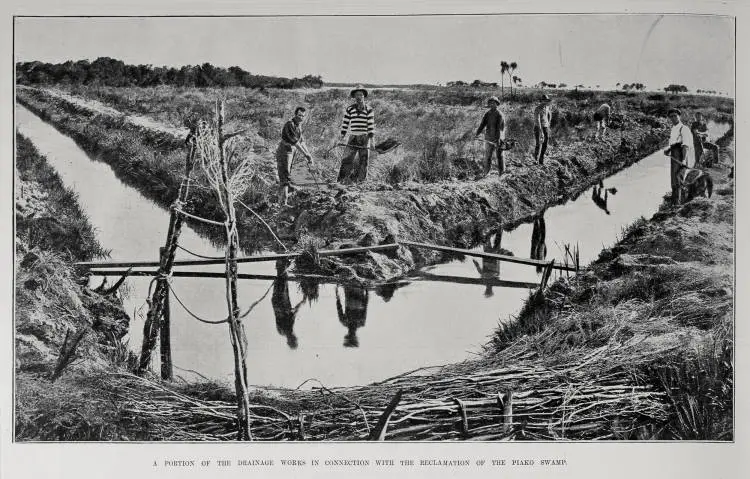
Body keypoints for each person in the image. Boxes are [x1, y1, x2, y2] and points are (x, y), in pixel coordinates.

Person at [337, 85, 375, 183]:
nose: (359, 97)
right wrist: (342, 136)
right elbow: (345, 123)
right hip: (353, 137)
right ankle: (342, 180)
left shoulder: (369, 109)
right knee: (347, 159)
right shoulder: (350, 109)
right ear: (354, 97)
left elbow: (371, 127)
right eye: (357, 95)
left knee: (363, 161)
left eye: (361, 95)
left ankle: (361, 181)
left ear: (364, 96)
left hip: (364, 138)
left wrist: (372, 141)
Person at [276, 107, 314, 206]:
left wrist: (309, 154)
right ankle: (283, 203)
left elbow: (302, 142)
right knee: (285, 176)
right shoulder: (290, 124)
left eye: (303, 116)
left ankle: (281, 201)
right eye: (299, 115)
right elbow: (296, 142)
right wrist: (305, 154)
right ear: (295, 114)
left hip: (291, 152)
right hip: (284, 151)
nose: (301, 117)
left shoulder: (299, 127)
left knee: (287, 175)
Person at [663, 108, 694, 204]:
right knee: (674, 179)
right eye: (671, 116)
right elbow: (675, 143)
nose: (673, 118)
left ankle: (678, 203)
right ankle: (675, 200)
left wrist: (684, 160)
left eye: (675, 116)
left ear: (679, 116)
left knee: (678, 179)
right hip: (674, 155)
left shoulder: (684, 128)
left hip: (682, 156)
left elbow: (685, 146)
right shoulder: (673, 128)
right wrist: (668, 150)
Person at [272, 259, 305, 350]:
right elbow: (292, 313)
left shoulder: (287, 330)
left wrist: (302, 302)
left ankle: (282, 263)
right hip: (277, 301)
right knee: (281, 280)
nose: (294, 336)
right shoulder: (282, 331)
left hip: (281, 301)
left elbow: (293, 312)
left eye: (294, 338)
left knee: (282, 280)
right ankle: (282, 263)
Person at [475, 96, 506, 177]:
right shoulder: (487, 114)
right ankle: (486, 173)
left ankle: (501, 173)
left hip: (498, 138)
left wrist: (498, 139)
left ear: (497, 104)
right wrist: (477, 134)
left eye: (494, 103)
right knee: (488, 156)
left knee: (499, 156)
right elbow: (482, 125)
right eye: (490, 103)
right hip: (489, 137)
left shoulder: (499, 114)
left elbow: (500, 128)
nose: (492, 104)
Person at [472, 230, 503, 297]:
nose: (487, 289)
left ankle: (497, 227)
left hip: (492, 257)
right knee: (490, 240)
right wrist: (475, 262)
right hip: (491, 257)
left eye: (487, 290)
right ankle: (496, 227)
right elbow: (480, 270)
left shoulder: (493, 280)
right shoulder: (488, 280)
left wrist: (476, 263)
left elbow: (480, 270)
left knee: (494, 240)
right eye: (488, 290)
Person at [534, 94, 553, 164]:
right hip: (538, 127)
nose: (545, 102)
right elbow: (537, 120)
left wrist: (548, 124)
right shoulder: (537, 109)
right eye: (544, 100)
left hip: (545, 127)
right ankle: (536, 159)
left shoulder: (547, 107)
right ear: (541, 101)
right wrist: (541, 131)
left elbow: (549, 114)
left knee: (545, 143)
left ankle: (541, 158)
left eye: (546, 101)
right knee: (538, 143)